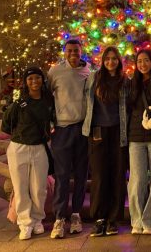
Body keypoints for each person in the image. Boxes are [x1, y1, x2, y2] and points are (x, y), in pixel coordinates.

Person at [1, 66, 55, 240]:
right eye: (30, 79)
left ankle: (38, 219)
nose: (34, 82)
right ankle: (25, 223)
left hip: (40, 147)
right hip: (19, 147)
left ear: (42, 80)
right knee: (20, 187)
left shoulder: (48, 101)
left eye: (37, 78)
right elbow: (6, 124)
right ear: (25, 82)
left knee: (39, 188)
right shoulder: (19, 103)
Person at [83, 46, 130, 237]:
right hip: (98, 131)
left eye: (114, 59)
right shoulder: (94, 78)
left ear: (119, 61)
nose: (111, 62)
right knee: (100, 175)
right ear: (103, 61)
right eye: (107, 59)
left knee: (118, 175)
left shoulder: (125, 81)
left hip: (119, 131)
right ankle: (99, 218)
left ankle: (113, 219)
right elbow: (85, 101)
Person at [47, 39, 92, 239]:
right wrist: (50, 124)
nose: (73, 54)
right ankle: (59, 217)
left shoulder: (89, 72)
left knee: (81, 175)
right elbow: (47, 98)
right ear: (65, 53)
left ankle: (75, 214)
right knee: (62, 176)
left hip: (82, 129)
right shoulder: (55, 72)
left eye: (76, 50)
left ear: (82, 52)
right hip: (62, 129)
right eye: (70, 51)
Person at [127, 49, 151, 235]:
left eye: (146, 60)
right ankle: (136, 220)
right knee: (137, 180)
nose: (142, 64)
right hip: (136, 137)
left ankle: (150, 220)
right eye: (139, 61)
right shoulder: (131, 83)